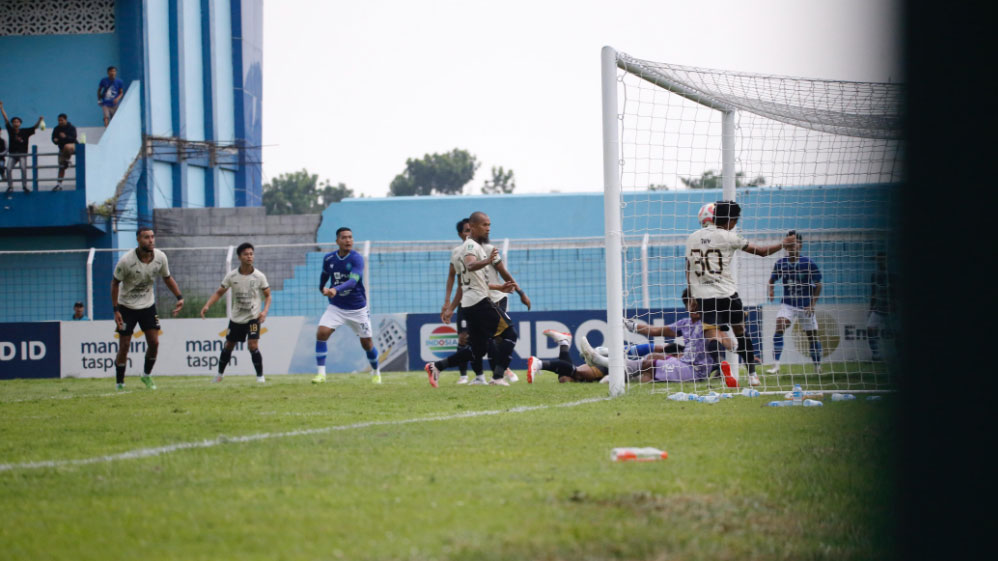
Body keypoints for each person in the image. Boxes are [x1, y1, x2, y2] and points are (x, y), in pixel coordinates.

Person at [686, 201, 795, 387]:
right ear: (731, 220)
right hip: (727, 294)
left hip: (703, 295)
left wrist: (691, 296)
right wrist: (783, 244)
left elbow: (688, 268)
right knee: (740, 332)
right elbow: (761, 252)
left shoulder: (692, 238)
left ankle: (721, 365)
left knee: (711, 335)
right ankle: (752, 375)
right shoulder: (729, 236)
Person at [426, 211, 519, 387]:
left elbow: (471, 282)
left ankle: (436, 366)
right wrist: (487, 261)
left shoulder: (474, 247)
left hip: (470, 303)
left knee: (478, 348)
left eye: (489, 225)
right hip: (479, 301)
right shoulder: (471, 247)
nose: (488, 229)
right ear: (473, 227)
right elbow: (470, 265)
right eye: (485, 225)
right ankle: (498, 377)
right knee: (510, 334)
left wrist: (499, 287)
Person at [110, 227, 185, 390]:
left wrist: (179, 297)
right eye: (146, 237)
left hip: (147, 306)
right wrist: (116, 310)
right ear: (138, 240)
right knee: (124, 345)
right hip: (126, 307)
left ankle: (146, 375)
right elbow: (115, 283)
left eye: (152, 237)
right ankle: (120, 383)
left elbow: (167, 278)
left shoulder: (160, 257)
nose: (151, 240)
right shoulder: (126, 261)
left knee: (154, 342)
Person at [312, 227, 381, 384]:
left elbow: (353, 281)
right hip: (336, 307)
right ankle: (321, 374)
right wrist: (321, 287)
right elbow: (324, 274)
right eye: (344, 237)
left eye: (350, 237)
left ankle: (376, 371)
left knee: (367, 344)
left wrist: (335, 289)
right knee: (322, 333)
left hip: (357, 309)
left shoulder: (356, 258)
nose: (348, 240)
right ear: (337, 241)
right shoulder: (329, 258)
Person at [200, 242, 272, 383]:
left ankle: (260, 377)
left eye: (251, 254)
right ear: (239, 257)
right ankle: (219, 375)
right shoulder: (232, 276)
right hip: (237, 319)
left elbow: (268, 295)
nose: (249, 257)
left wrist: (264, 311)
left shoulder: (259, 276)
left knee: (253, 345)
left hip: (253, 318)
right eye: (246, 254)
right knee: (228, 345)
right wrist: (207, 305)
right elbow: (219, 292)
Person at [766, 231, 823, 374]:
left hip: (805, 306)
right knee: (780, 326)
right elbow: (772, 280)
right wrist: (771, 291)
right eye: (789, 243)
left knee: (812, 337)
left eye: (795, 243)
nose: (792, 246)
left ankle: (817, 366)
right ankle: (776, 365)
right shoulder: (781, 263)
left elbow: (818, 284)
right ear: (786, 246)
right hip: (788, 304)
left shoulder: (808, 263)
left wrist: (812, 304)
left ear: (800, 245)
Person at [1, 100, 43, 194]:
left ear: (20, 123)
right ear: (12, 124)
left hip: (22, 154)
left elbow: (34, 127)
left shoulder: (25, 131)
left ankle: (24, 186)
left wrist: (39, 121)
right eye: (14, 122)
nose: (16, 123)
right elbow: (6, 119)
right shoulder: (10, 130)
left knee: (23, 168)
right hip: (12, 154)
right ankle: (10, 186)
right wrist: (1, 108)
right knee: (8, 169)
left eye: (18, 122)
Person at [866, 252, 896, 362]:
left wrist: (894, 305)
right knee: (870, 328)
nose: (880, 262)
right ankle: (876, 354)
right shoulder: (875, 275)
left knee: (896, 332)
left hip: (892, 309)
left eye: (882, 259)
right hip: (878, 308)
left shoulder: (893, 274)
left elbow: (896, 292)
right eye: (878, 260)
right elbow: (873, 293)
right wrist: (871, 308)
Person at [51, 113, 77, 191]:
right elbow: (53, 138)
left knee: (67, 146)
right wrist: (55, 140)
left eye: (61, 120)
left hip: (72, 146)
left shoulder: (71, 128)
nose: (60, 122)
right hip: (62, 149)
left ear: (65, 120)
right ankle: (59, 184)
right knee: (61, 167)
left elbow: (73, 138)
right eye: (59, 120)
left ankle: (67, 160)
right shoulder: (56, 128)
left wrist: (65, 137)